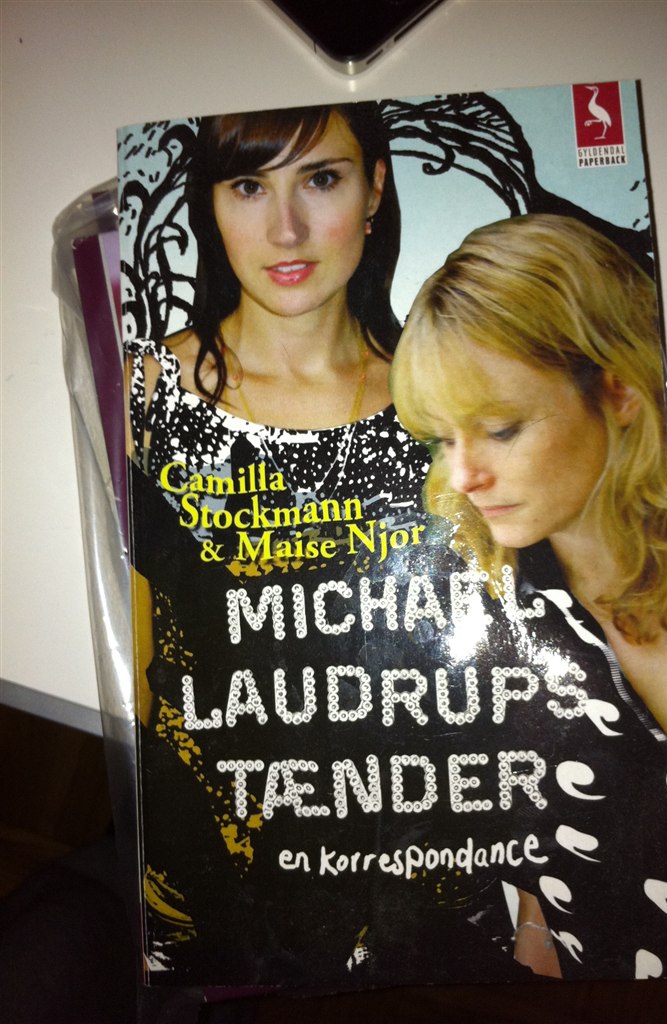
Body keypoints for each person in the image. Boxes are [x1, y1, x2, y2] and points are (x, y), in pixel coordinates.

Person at [124, 103, 433, 987]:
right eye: (249, 186)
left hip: (410, 880)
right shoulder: (142, 391)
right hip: (192, 875)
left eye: (321, 179)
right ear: (210, 204)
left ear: (375, 187)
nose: (286, 229)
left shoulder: (443, 401)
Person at [390, 214, 667, 981]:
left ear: (619, 389)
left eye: (501, 429)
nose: (463, 475)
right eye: (443, 439)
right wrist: (536, 945)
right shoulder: (477, 610)